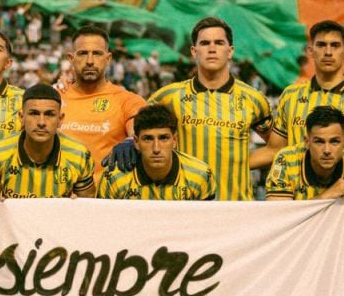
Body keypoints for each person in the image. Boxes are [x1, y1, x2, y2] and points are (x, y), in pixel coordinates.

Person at [110, 17, 271, 200]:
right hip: (185, 208)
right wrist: (130, 139)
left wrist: (237, 162)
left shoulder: (253, 99)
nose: (211, 49)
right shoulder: (169, 96)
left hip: (235, 207)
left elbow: (276, 148)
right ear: (194, 51)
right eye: (204, 43)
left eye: (219, 43)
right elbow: (139, 126)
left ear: (230, 51)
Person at [265, 105, 344, 296]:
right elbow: (277, 221)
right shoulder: (285, 162)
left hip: (340, 244)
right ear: (307, 141)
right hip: (293, 243)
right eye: (319, 141)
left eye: (334, 141)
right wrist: (328, 196)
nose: (327, 150)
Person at [264, 20, 344, 178]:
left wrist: (342, 179)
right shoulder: (291, 95)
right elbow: (274, 151)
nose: (328, 52)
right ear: (310, 51)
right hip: (302, 201)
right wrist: (229, 164)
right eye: (321, 45)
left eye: (335, 45)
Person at [0, 83, 95, 199]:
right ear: (21, 117)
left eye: (49, 114)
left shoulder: (79, 155)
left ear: (60, 119)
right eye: (34, 113)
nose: (41, 122)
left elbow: (87, 207)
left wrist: (76, 206)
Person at [59, 24, 146, 175]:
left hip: (106, 196)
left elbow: (141, 132)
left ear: (108, 58)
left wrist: (131, 140)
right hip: (61, 196)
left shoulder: (128, 100)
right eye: (83, 53)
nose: (90, 61)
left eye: (97, 53)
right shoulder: (55, 99)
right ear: (71, 58)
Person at [97, 104, 216, 201]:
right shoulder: (114, 178)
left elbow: (206, 225)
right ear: (136, 142)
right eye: (148, 139)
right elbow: (105, 225)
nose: (156, 149)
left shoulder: (200, 175)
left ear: (174, 140)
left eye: (163, 138)